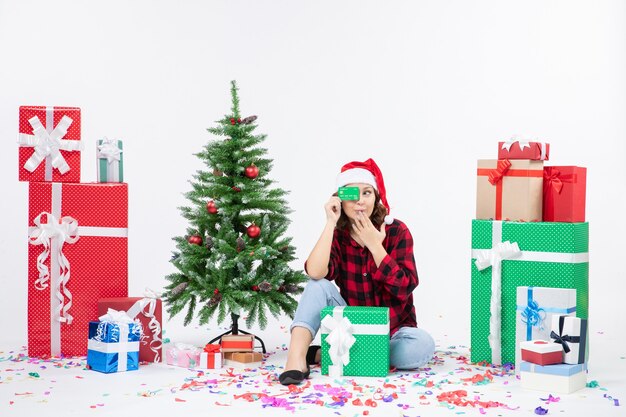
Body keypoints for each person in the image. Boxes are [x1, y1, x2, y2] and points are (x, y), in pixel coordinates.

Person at [279, 158, 435, 385]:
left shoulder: (397, 230)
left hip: (392, 332)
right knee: (316, 285)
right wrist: (330, 223)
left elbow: (404, 288)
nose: (360, 201)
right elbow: (315, 272)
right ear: (340, 199)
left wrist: (375, 246)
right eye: (352, 194)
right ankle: (297, 358)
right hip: (350, 325)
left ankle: (334, 354)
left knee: (421, 346)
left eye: (367, 193)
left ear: (376, 198)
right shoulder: (339, 234)